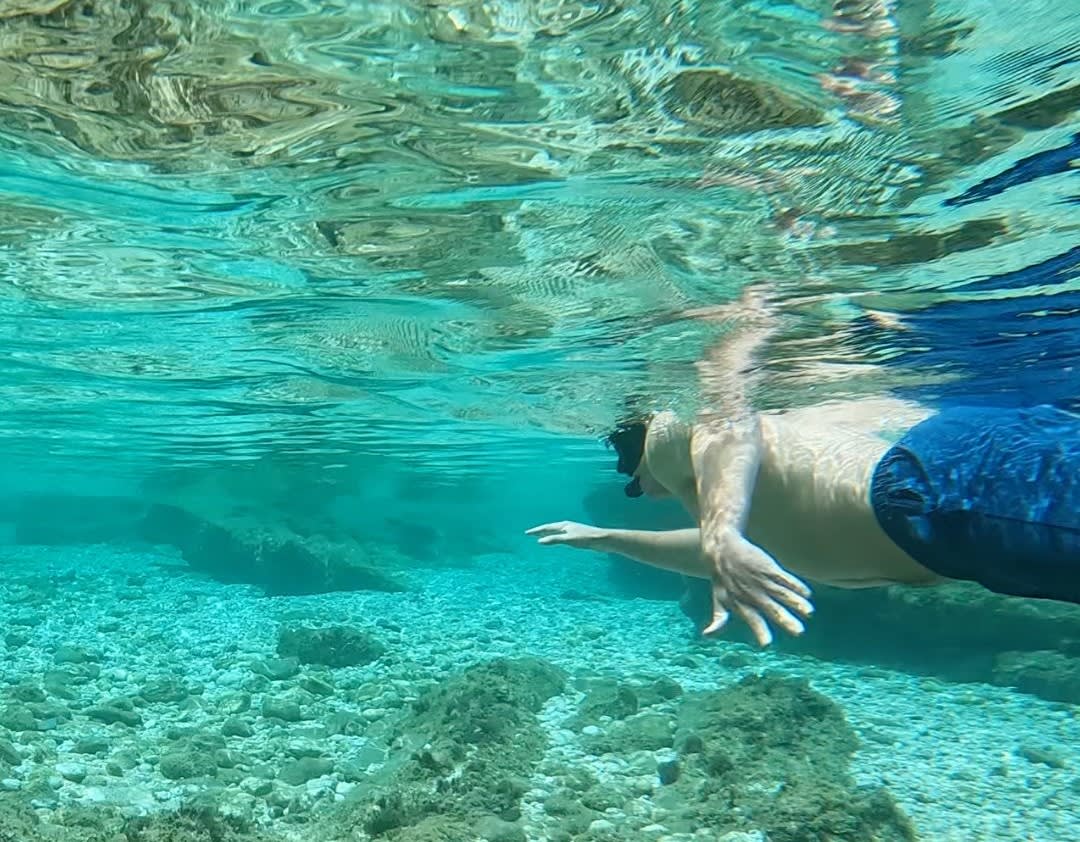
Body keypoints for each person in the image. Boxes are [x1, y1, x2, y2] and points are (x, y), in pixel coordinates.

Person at [527, 287, 1080, 646]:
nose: (640, 490)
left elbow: (728, 425)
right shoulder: (716, 500)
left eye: (628, 467)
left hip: (933, 493)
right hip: (947, 512)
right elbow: (714, 552)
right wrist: (603, 537)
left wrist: (721, 536)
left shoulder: (671, 436)